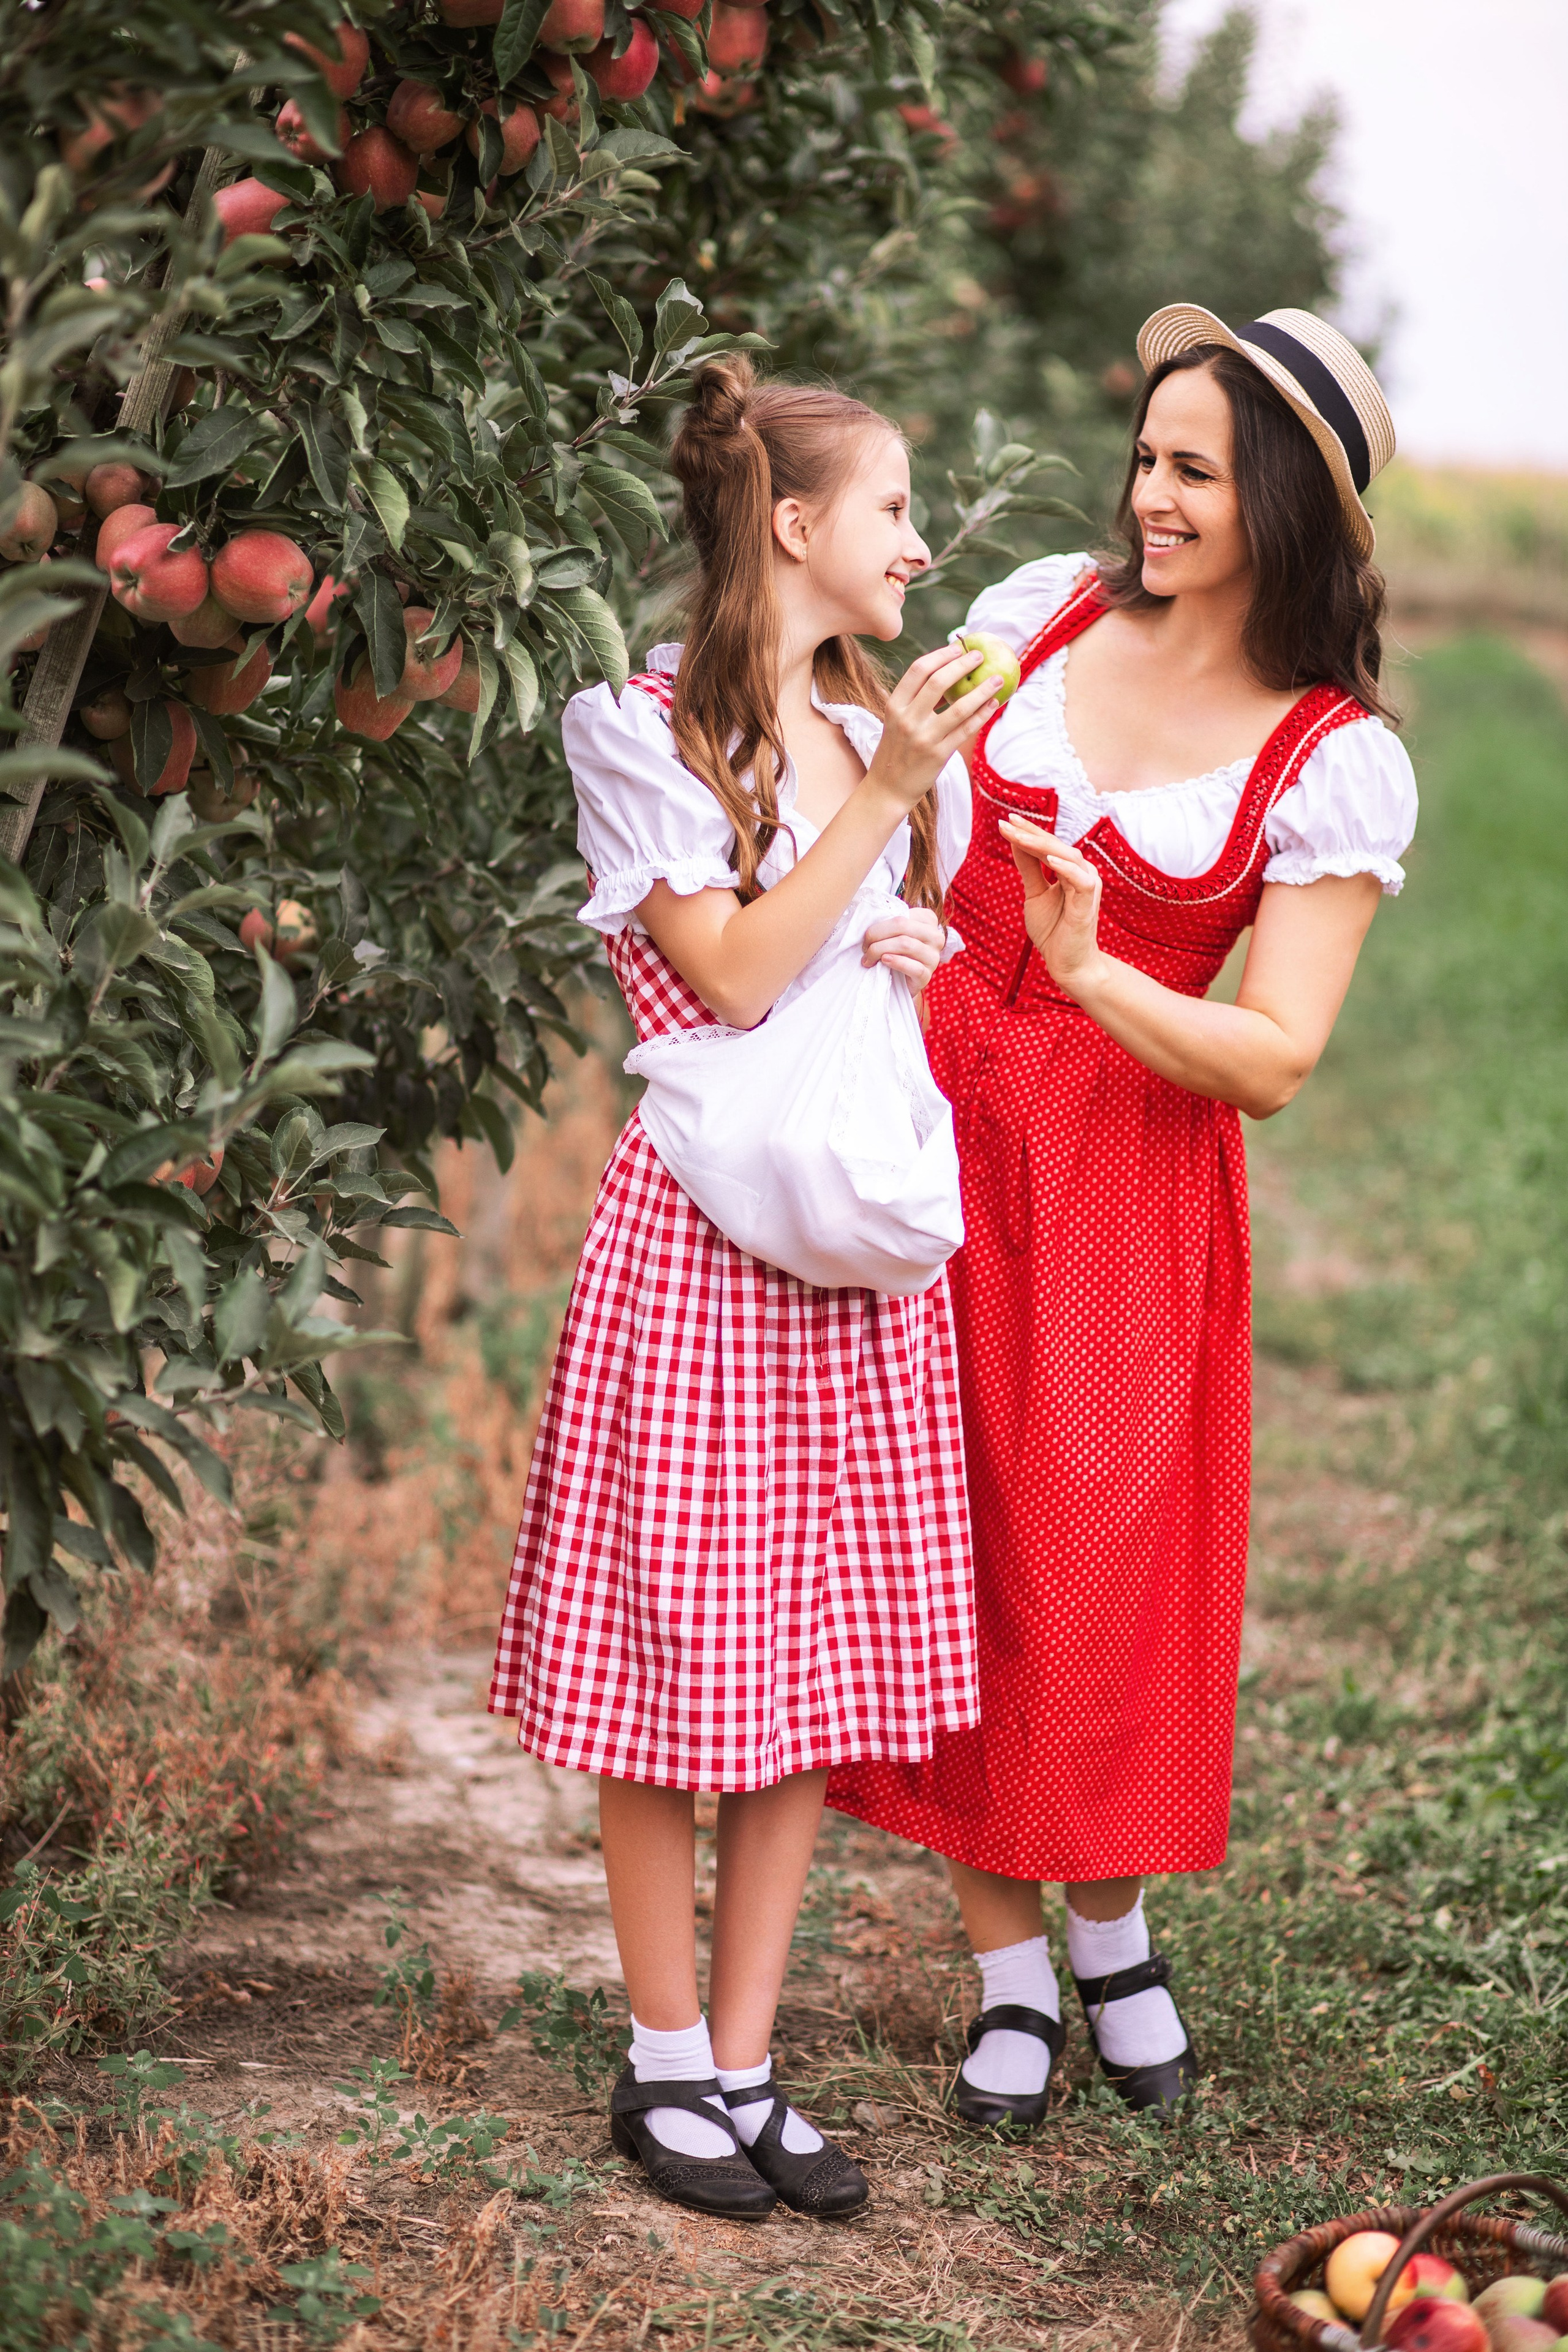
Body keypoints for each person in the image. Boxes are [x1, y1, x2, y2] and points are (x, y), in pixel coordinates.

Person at [829, 306, 1418, 2122]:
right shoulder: (1039, 615)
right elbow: (899, 811)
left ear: (1288, 511)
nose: (1149, 498)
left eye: (1193, 471)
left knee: (1091, 1561)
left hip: (1120, 1163)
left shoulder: (1328, 755)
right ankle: (1013, 1971)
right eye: (1147, 456)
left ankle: (1114, 1927)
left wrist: (1091, 978)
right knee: (953, 1554)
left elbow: (1277, 1055)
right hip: (926, 1127)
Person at [489, 358, 998, 2218]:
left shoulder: (871, 731)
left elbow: (842, 986)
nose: (919, 543)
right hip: (703, 1252)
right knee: (671, 1661)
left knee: (794, 1675)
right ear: (792, 528)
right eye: (891, 511)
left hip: (842, 1262)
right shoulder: (642, 734)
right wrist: (890, 811)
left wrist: (917, 941)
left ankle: (752, 2059)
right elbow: (733, 981)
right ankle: (662, 2059)